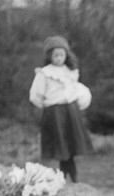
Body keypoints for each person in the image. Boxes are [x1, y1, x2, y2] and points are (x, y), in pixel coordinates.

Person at [29, 36, 93, 183]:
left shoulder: (69, 71)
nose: (59, 58)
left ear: (66, 55)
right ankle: (63, 175)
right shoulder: (44, 73)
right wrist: (48, 106)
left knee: (71, 141)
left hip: (70, 111)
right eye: (55, 55)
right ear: (50, 56)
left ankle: (72, 173)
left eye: (61, 55)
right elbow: (36, 95)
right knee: (60, 142)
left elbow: (74, 89)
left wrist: (76, 102)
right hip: (55, 112)